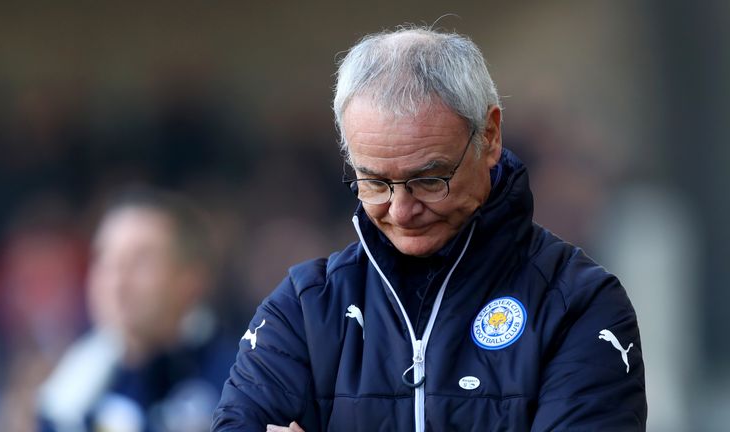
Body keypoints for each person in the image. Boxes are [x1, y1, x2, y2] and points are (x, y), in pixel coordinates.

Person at [213, 27, 647, 431]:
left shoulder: (578, 306)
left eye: (428, 179)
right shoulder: (304, 308)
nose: (401, 211)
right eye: (375, 182)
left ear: (490, 136)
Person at [38, 188, 237, 432]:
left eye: (141, 262)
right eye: (105, 259)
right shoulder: (68, 396)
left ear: (191, 279)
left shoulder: (241, 382)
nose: (116, 282)